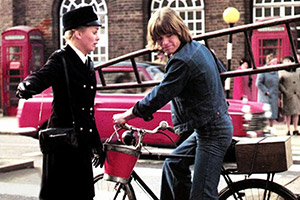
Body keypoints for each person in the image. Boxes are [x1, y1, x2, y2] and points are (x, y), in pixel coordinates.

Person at [113, 7, 233, 200]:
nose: (165, 43)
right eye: (160, 39)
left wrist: (126, 115)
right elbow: (221, 71)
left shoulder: (182, 61)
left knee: (202, 196)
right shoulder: (198, 47)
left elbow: (160, 95)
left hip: (212, 132)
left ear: (179, 31)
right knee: (173, 164)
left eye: (169, 36)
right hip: (209, 126)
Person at [16, 6, 105, 200]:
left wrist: (96, 142)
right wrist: (27, 85)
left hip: (80, 146)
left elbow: (86, 111)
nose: (98, 37)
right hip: (62, 146)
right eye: (94, 32)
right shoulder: (61, 59)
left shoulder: (87, 64)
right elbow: (42, 76)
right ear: (78, 33)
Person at [256, 53, 279, 133]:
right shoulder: (263, 70)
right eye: (274, 62)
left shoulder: (276, 71)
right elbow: (258, 83)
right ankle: (263, 129)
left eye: (276, 62)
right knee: (266, 112)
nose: (276, 64)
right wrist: (266, 91)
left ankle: (271, 127)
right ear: (269, 62)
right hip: (265, 96)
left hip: (274, 95)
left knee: (273, 113)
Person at [279, 55, 300, 135]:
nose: (286, 62)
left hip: (297, 94)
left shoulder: (298, 70)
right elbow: (279, 83)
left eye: (288, 61)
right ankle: (288, 129)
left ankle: (295, 129)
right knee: (287, 113)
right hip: (287, 95)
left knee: (296, 113)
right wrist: (284, 90)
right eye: (285, 61)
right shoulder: (281, 72)